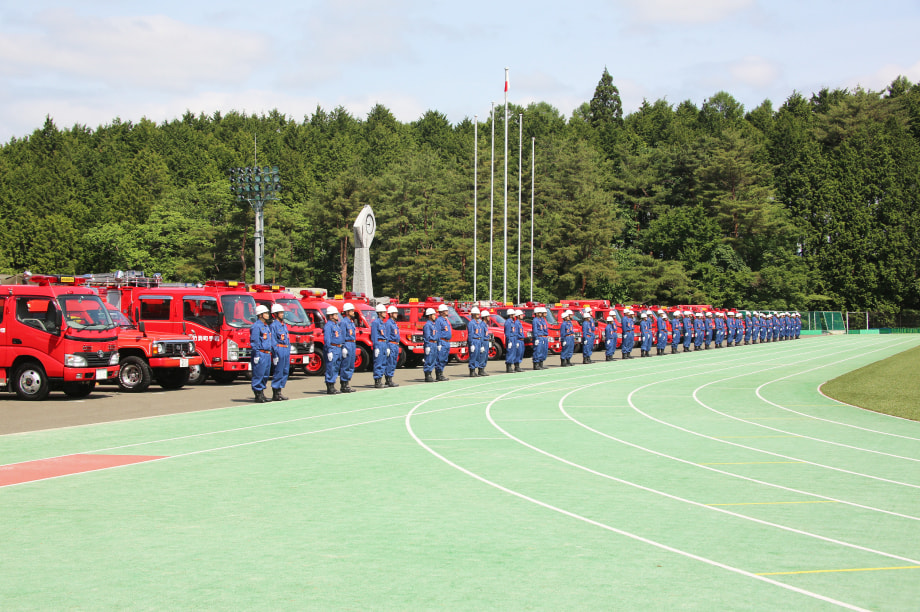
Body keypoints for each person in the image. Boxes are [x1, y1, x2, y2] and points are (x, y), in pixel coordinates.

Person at [249, 304, 273, 403]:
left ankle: (262, 392)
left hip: (267, 354)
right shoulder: (256, 326)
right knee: (258, 374)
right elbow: (254, 341)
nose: (267, 315)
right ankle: (257, 394)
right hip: (260, 353)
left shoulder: (266, 326)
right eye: (266, 313)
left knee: (265, 375)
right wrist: (257, 354)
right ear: (260, 315)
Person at [269, 303, 291, 401]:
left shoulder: (284, 325)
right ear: (275, 314)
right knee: (279, 371)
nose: (282, 314)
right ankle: (275, 392)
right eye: (280, 313)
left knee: (285, 371)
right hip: (279, 349)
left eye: (282, 312)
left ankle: (280, 391)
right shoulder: (274, 326)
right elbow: (273, 340)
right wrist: (275, 354)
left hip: (285, 349)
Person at [323, 305, 343, 395]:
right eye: (335, 314)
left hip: (338, 348)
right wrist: (329, 350)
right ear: (330, 316)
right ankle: (330, 386)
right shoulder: (328, 326)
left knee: (335, 368)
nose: (337, 316)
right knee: (331, 368)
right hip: (332, 348)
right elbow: (327, 339)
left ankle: (333, 384)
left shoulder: (336, 325)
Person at [338, 302, 357, 393]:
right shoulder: (344, 322)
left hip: (352, 344)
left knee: (351, 365)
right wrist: (343, 346)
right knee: (346, 365)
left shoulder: (351, 322)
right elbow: (342, 335)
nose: (353, 312)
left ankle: (347, 383)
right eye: (352, 311)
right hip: (347, 344)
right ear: (347, 312)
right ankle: (344, 385)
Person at [466, 306, 488, 377]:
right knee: (473, 356)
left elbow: (480, 334)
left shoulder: (478, 323)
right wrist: (471, 344)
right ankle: (472, 371)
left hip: (478, 341)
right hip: (474, 341)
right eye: (477, 314)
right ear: (474, 314)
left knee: (477, 356)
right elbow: (470, 334)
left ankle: (475, 370)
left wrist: (481, 345)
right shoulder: (471, 323)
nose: (479, 315)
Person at [371, 304, 388, 388]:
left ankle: (380, 379)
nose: (385, 313)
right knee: (378, 362)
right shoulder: (375, 323)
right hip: (379, 344)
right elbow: (374, 336)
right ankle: (377, 381)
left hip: (383, 344)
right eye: (384, 312)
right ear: (380, 313)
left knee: (383, 362)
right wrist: (376, 347)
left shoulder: (382, 323)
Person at [384, 305, 401, 386]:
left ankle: (390, 377)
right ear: (391, 314)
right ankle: (388, 379)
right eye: (395, 313)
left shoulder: (394, 323)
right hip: (391, 344)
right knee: (390, 362)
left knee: (393, 362)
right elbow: (386, 336)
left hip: (395, 345)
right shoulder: (388, 323)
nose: (396, 314)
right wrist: (387, 347)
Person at [422, 307, 439, 382]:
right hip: (430, 344)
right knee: (429, 359)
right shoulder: (427, 325)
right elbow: (427, 336)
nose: (435, 316)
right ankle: (427, 375)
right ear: (429, 316)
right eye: (433, 314)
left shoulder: (433, 325)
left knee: (433, 360)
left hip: (434, 344)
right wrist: (427, 346)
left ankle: (430, 374)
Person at [504, 308, 519, 373]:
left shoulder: (512, 322)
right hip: (511, 339)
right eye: (513, 314)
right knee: (510, 353)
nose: (514, 315)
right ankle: (508, 367)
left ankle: (510, 366)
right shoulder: (508, 322)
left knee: (513, 353)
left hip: (514, 338)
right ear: (510, 315)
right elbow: (507, 333)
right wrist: (509, 341)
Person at [478, 310, 492, 375]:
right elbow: (481, 335)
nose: (489, 317)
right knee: (482, 356)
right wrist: (481, 345)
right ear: (485, 317)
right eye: (488, 316)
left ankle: (483, 369)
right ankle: (480, 370)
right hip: (483, 342)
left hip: (486, 341)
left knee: (485, 356)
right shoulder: (482, 325)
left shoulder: (485, 325)